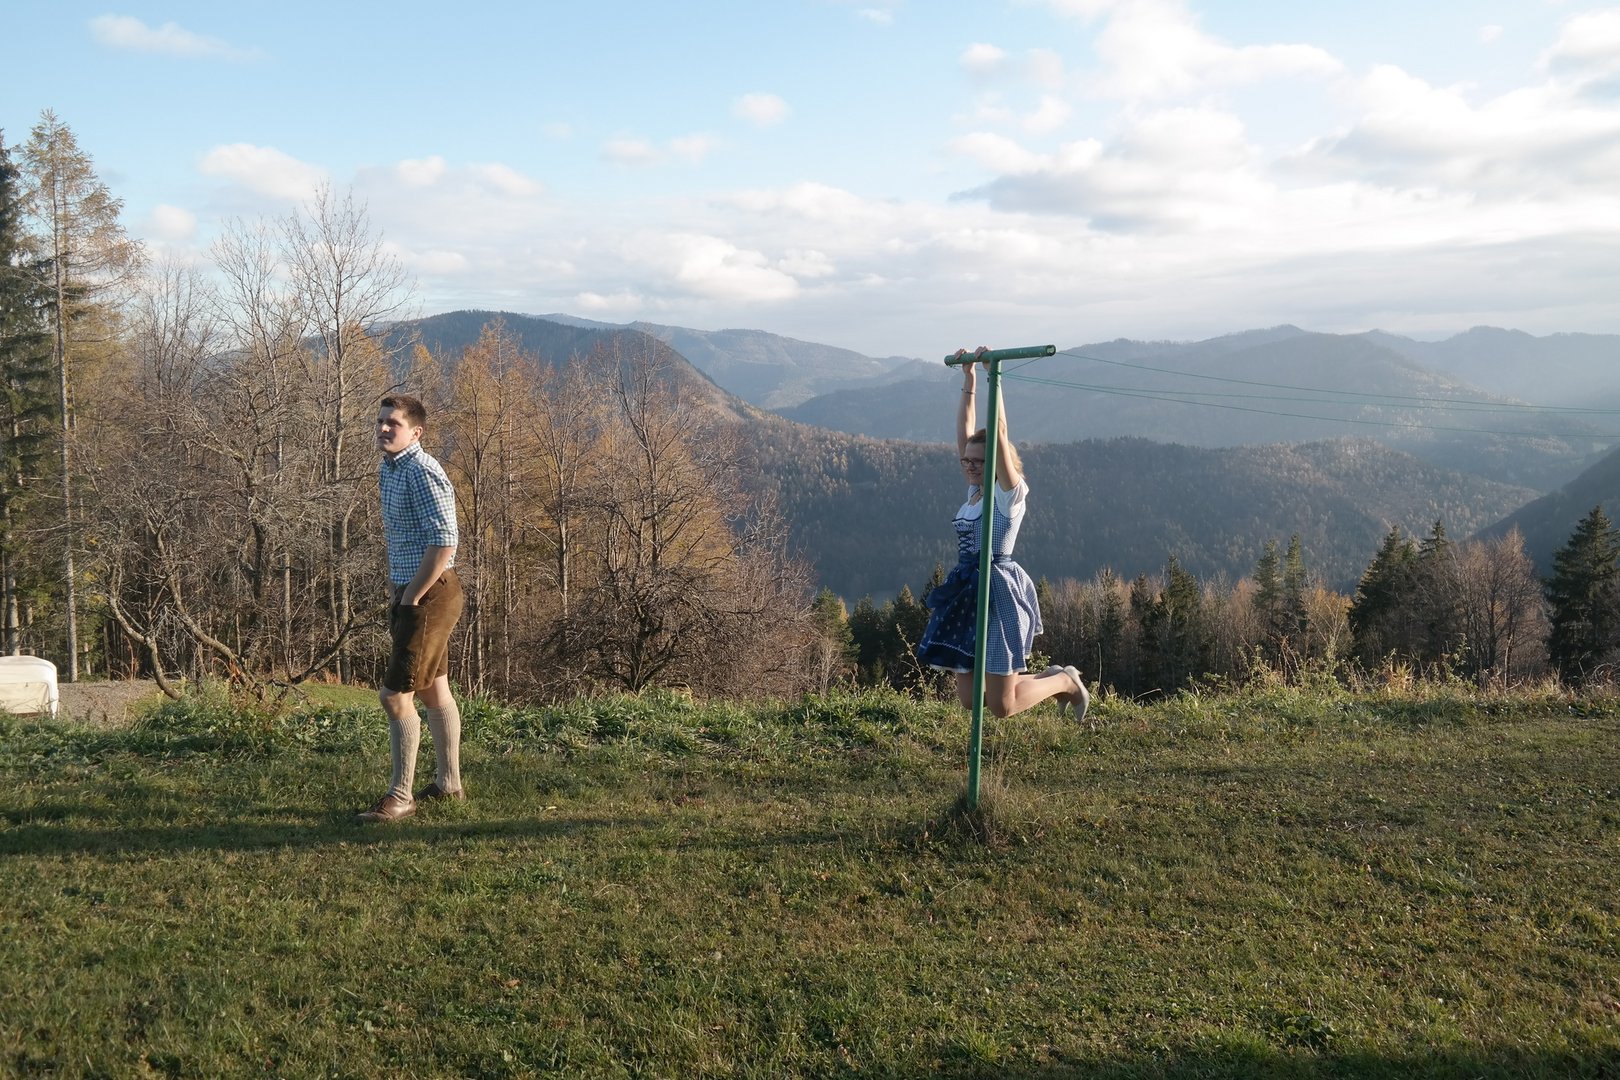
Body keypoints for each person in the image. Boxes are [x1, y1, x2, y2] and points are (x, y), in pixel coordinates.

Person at [915, 348, 1089, 721]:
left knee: (1002, 706)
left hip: (999, 590)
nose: (969, 465)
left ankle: (1065, 681)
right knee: (970, 699)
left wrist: (995, 378)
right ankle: (1052, 677)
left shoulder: (1007, 494)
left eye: (978, 461)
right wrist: (969, 379)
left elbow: (999, 433)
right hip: (967, 590)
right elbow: (965, 433)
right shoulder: (975, 492)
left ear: (995, 461)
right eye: (966, 460)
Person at [358, 394, 467, 823]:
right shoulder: (389, 468)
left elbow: (444, 543)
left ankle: (401, 797)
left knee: (394, 695)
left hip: (430, 594)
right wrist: (399, 587)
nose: (384, 428)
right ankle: (449, 785)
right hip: (413, 589)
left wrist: (411, 597)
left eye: (394, 424)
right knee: (434, 690)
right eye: (381, 421)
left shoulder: (422, 472)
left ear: (416, 433)